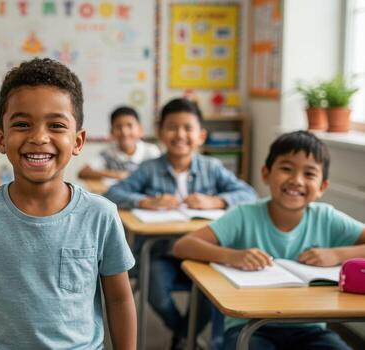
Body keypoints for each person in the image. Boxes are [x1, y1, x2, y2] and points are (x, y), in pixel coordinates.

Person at [0, 58, 137, 349]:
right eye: (22, 124)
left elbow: (119, 299)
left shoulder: (100, 215)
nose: (39, 137)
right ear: (1, 138)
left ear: (78, 141)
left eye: (56, 125)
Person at [173, 130, 365, 350]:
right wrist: (233, 256)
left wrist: (338, 254)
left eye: (309, 173)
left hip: (309, 328)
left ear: (322, 187)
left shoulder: (326, 217)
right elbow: (183, 245)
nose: (296, 180)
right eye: (286, 168)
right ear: (266, 173)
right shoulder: (244, 215)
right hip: (249, 327)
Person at [104, 98, 257, 349]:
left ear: (201, 135)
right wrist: (146, 202)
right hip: (160, 252)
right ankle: (185, 335)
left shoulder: (212, 167)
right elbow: (114, 193)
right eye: (172, 127)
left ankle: (184, 338)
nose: (180, 134)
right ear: (161, 133)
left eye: (188, 128)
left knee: (212, 295)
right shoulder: (148, 168)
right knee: (157, 294)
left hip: (203, 253)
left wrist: (215, 201)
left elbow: (248, 194)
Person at [78, 106, 160, 180]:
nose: (124, 132)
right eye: (118, 127)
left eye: (129, 125)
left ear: (140, 130)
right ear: (111, 132)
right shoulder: (108, 154)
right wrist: (116, 175)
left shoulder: (151, 152)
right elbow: (83, 172)